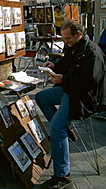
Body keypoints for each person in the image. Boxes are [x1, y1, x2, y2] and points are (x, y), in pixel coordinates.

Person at [35, 19, 106, 188]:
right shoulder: (73, 46)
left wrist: (63, 79)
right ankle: (66, 130)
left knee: (56, 127)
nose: (65, 42)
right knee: (41, 97)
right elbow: (66, 64)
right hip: (70, 89)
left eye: (67, 39)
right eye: (63, 39)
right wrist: (54, 66)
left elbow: (88, 82)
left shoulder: (93, 53)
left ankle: (63, 175)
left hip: (83, 97)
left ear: (78, 35)